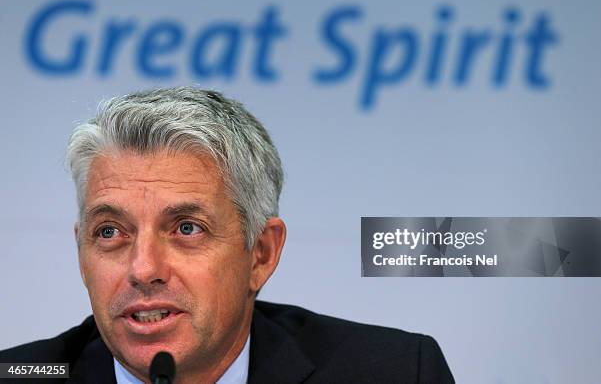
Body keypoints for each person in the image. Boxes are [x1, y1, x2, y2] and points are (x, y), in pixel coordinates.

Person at [0, 87, 454, 383]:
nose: (143, 269)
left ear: (260, 252)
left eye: (186, 228)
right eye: (110, 232)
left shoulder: (392, 372)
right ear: (81, 255)